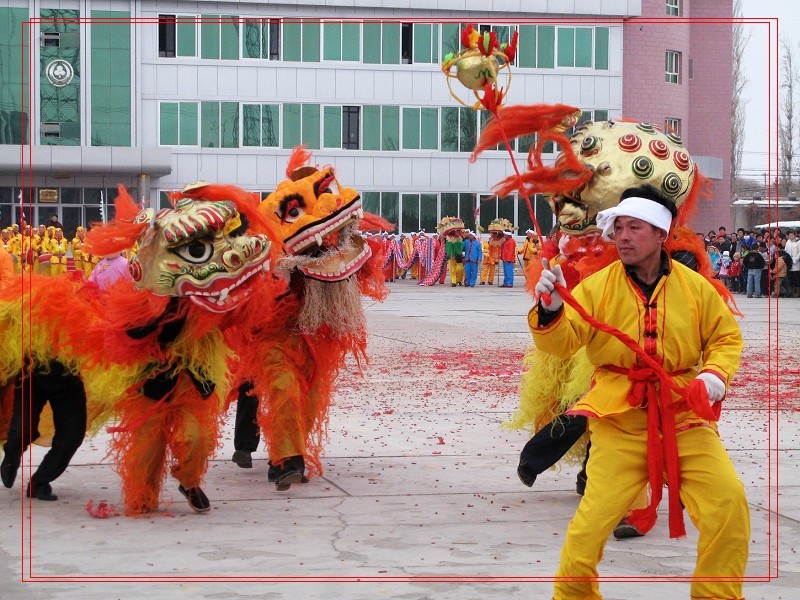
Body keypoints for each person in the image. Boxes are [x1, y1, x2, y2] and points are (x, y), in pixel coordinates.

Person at [530, 185, 748, 600]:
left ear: (662, 234)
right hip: (619, 422)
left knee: (728, 504)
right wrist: (553, 308)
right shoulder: (595, 287)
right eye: (619, 228)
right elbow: (561, 343)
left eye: (635, 227)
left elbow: (725, 338)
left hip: (684, 417)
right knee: (589, 527)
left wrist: (713, 377)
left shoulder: (696, 288)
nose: (624, 236)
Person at [1, 361, 88, 501]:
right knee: (23, 430)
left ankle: (39, 482)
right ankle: (12, 456)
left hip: (69, 379)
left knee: (72, 436)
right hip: (30, 375)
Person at [785, 230, 800, 297]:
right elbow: (786, 251)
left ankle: (797, 292)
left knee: (796, 278)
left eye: (792, 235)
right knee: (790, 278)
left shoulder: (798, 242)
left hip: (796, 262)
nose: (790, 237)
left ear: (795, 235)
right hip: (789, 261)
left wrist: (796, 259)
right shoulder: (788, 242)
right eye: (789, 235)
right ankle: (792, 291)